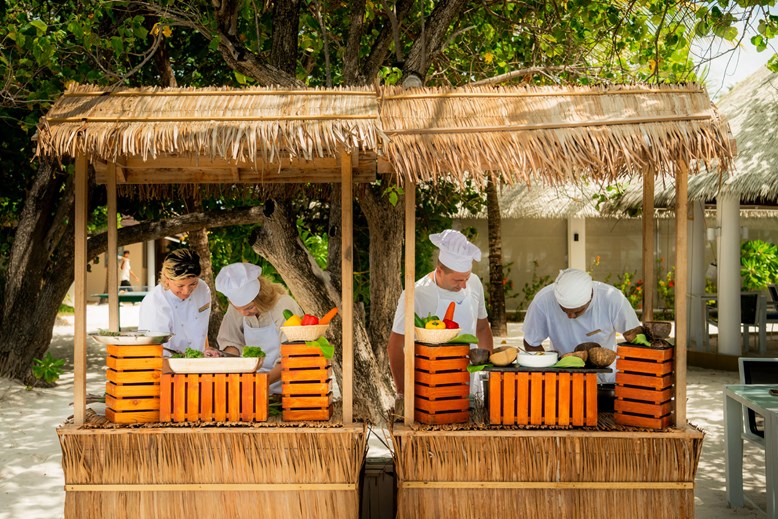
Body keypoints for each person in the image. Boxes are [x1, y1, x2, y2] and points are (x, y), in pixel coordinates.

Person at [388, 229, 494, 397]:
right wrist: (403, 392)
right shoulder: (417, 294)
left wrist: (489, 376)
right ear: (439, 271)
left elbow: (481, 328)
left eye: (466, 278)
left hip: (469, 385)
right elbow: (396, 345)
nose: (464, 285)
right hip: (431, 389)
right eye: (458, 280)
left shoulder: (474, 283)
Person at [522, 268, 641, 383]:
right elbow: (531, 342)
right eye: (564, 311)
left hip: (606, 378)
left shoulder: (612, 299)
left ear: (590, 299)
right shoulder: (543, 301)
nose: (571, 316)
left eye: (577, 311)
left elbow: (636, 340)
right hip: (563, 376)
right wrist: (547, 376)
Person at [215, 262, 303, 394]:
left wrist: (261, 383)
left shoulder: (283, 305)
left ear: (262, 297)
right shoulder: (237, 309)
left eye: (250, 307)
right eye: (238, 309)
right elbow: (231, 341)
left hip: (289, 388)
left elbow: (293, 355)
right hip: (254, 387)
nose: (244, 313)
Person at [138, 249, 214, 357]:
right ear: (167, 279)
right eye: (180, 286)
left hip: (198, 361)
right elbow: (153, 348)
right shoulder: (155, 302)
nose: (186, 291)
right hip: (167, 363)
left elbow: (202, 328)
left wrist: (206, 352)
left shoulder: (203, 289)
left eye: (193, 284)